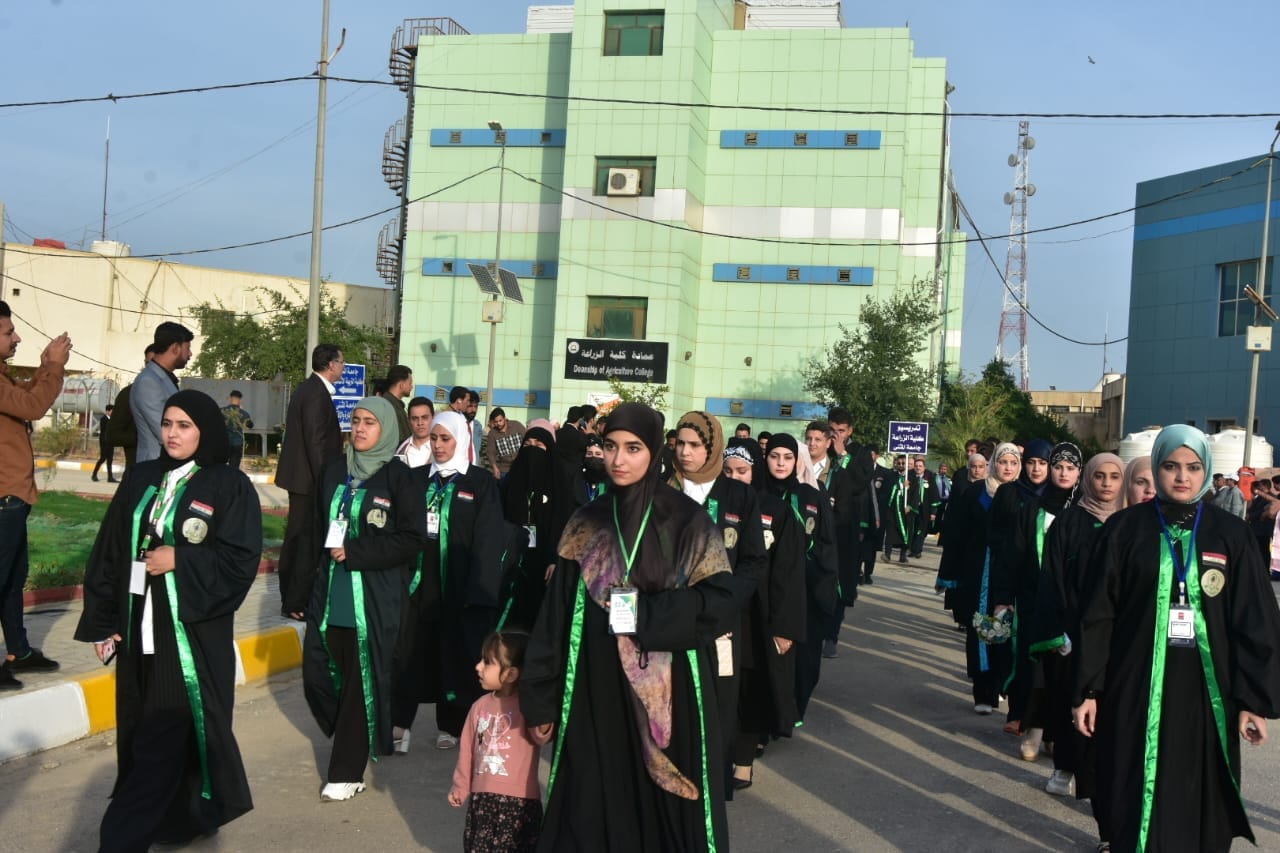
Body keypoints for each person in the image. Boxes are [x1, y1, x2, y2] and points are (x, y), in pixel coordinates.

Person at [521, 402, 738, 852]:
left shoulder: (688, 522)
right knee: (592, 800)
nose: (618, 459)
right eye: (610, 446)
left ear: (655, 451)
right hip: (594, 685)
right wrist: (540, 697)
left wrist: (648, 616)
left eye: (633, 448)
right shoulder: (586, 522)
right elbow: (554, 616)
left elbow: (719, 602)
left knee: (663, 809)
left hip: (669, 688)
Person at [1073, 426, 1280, 853]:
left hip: (1208, 690)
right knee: (1132, 780)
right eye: (1170, 466)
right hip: (1135, 684)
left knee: (1200, 785)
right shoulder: (1124, 531)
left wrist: (1253, 701)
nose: (1182, 477)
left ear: (1206, 471)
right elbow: (1098, 614)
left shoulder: (1230, 534)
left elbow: (1254, 621)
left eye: (1193, 467)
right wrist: (1088, 689)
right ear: (1157, 467)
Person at [75, 389, 262, 850]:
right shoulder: (143, 477)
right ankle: (186, 818)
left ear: (205, 431)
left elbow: (240, 561)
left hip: (188, 639)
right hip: (138, 632)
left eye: (184, 426)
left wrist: (181, 559)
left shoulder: (227, 485)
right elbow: (110, 550)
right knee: (147, 733)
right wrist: (103, 619)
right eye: (166, 424)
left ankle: (119, 840)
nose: (172, 434)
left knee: (161, 742)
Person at [303, 396, 426, 801]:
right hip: (330, 593)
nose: (359, 428)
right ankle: (360, 731)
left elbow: (411, 539)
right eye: (356, 420)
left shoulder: (399, 478)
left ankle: (346, 771)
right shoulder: (334, 470)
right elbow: (314, 528)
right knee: (320, 676)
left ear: (386, 429)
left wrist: (357, 552)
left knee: (359, 684)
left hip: (373, 597)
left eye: (370, 422)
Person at [396, 411, 509, 752]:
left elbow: (488, 538)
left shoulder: (479, 483)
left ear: (460, 440)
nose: (438, 445)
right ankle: (400, 722)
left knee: (455, 654)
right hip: (419, 583)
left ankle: (451, 723)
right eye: (434, 438)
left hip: (459, 587)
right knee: (410, 653)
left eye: (446, 439)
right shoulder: (416, 479)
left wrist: (480, 590)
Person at [667, 411, 767, 786]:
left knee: (717, 701)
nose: (685, 452)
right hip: (670, 616)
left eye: (695, 445)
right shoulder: (662, 491)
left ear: (712, 449)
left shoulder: (740, 496)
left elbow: (754, 561)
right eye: (680, 443)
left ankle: (711, 783)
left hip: (721, 622)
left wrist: (725, 602)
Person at [1026, 451, 1123, 826]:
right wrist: (1059, 630)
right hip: (1074, 631)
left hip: (1115, 634)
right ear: (1088, 479)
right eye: (1100, 476)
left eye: (1115, 477)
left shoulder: (1129, 523)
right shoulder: (1069, 522)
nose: (1107, 484)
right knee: (1071, 701)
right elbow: (1052, 577)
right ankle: (1065, 765)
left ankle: (1104, 781)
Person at [721, 438, 805, 788]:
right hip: (720, 612)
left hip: (760, 616)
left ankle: (743, 762)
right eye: (728, 471)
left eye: (742, 471)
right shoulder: (712, 506)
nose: (735, 478)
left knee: (751, 689)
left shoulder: (776, 511)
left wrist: (784, 627)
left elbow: (789, 573)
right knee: (720, 688)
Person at [994, 442, 1081, 749]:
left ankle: (1056, 733)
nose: (1063, 473)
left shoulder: (1083, 510)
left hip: (1073, 605)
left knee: (1065, 671)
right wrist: (1004, 597)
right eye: (1057, 467)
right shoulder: (1032, 509)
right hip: (1033, 600)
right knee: (1036, 666)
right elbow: (1013, 555)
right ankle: (1033, 727)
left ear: (1079, 472)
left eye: (1070, 468)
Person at [0, 302, 68, 691]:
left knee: (12, 579)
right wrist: (55, 366)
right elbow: (33, 406)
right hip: (3, 497)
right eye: (8, 332)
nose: (17, 338)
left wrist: (45, 367)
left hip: (12, 496)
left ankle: (19, 651)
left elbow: (22, 397)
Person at [448, 631, 552, 853]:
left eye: (487, 662)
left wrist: (542, 705)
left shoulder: (528, 706)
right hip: (482, 800)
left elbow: (541, 734)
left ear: (511, 673)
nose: (478, 666)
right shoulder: (479, 706)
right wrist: (461, 786)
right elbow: (467, 750)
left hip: (519, 803)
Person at [936, 442, 1021, 714]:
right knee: (982, 629)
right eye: (1003, 462)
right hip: (979, 571)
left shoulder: (1025, 496)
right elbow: (957, 533)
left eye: (1013, 463)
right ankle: (983, 691)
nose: (1007, 468)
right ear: (993, 464)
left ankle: (1001, 684)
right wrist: (949, 573)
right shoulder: (976, 493)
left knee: (1007, 629)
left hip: (1011, 572)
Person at [763, 433, 838, 723]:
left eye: (788, 457)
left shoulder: (811, 496)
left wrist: (825, 591)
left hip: (808, 592)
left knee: (805, 661)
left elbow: (827, 543)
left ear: (797, 461)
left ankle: (794, 709)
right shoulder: (758, 495)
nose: (781, 463)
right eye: (774, 456)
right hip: (769, 591)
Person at [276, 344, 344, 620]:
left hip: (304, 480)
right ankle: (295, 602)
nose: (343, 368)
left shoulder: (310, 389)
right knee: (302, 542)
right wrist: (325, 482)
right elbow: (316, 443)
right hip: (309, 482)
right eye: (341, 362)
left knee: (299, 540)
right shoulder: (315, 393)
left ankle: (293, 599)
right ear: (331, 364)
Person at [500, 423, 565, 631]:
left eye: (539, 445)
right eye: (527, 445)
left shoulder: (559, 484)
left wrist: (555, 558)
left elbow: (562, 522)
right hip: (512, 558)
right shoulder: (510, 482)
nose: (532, 449)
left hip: (545, 560)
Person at [131, 322, 194, 463]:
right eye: (187, 348)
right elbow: (165, 432)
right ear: (175, 348)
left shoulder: (162, 378)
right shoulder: (148, 382)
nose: (190, 354)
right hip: (155, 465)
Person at [484, 407, 526, 480]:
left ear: (505, 418)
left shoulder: (516, 425)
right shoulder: (492, 433)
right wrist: (495, 468)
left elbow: (527, 440)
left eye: (500, 420)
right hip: (504, 470)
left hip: (521, 466)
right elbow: (490, 452)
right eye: (496, 422)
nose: (498, 423)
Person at [378, 364, 414, 445]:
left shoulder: (396, 405)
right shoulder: (389, 406)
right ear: (401, 385)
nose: (411, 387)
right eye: (410, 383)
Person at [395, 396, 435, 468]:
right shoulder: (398, 448)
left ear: (433, 417)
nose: (420, 423)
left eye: (425, 418)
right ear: (409, 420)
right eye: (415, 419)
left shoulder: (443, 449)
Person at [221, 390, 254, 470]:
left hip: (224, 442)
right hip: (237, 443)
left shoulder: (222, 411)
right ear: (240, 400)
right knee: (234, 468)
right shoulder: (244, 413)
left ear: (230, 399)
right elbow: (250, 425)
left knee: (221, 466)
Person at [93, 404, 118, 483]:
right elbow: (105, 432)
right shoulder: (103, 419)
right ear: (107, 411)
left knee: (110, 460)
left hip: (110, 442)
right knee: (102, 458)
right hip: (104, 442)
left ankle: (110, 477)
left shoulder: (113, 419)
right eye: (112, 411)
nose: (113, 413)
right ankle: (94, 475)